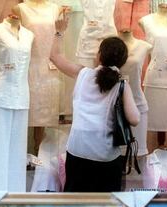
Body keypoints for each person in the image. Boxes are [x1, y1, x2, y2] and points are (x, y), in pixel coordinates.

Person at [51, 14, 140, 192]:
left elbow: (55, 57)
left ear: (99, 55)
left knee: (75, 205)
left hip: (78, 151)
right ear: (122, 62)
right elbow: (135, 119)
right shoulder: (121, 84)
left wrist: (60, 32)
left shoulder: (83, 74)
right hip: (105, 155)